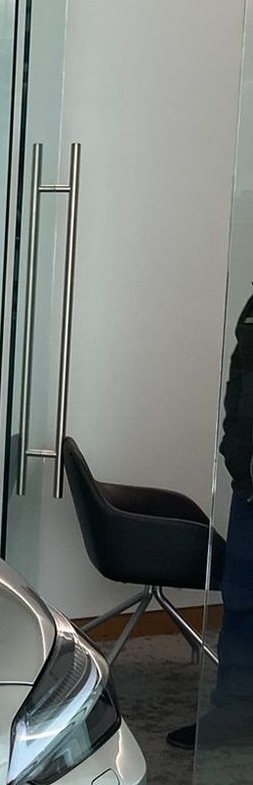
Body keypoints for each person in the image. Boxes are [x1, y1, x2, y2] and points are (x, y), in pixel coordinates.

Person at [168, 285, 253, 748]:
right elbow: (238, 384)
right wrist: (234, 451)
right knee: (241, 600)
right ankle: (234, 714)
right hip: (250, 486)